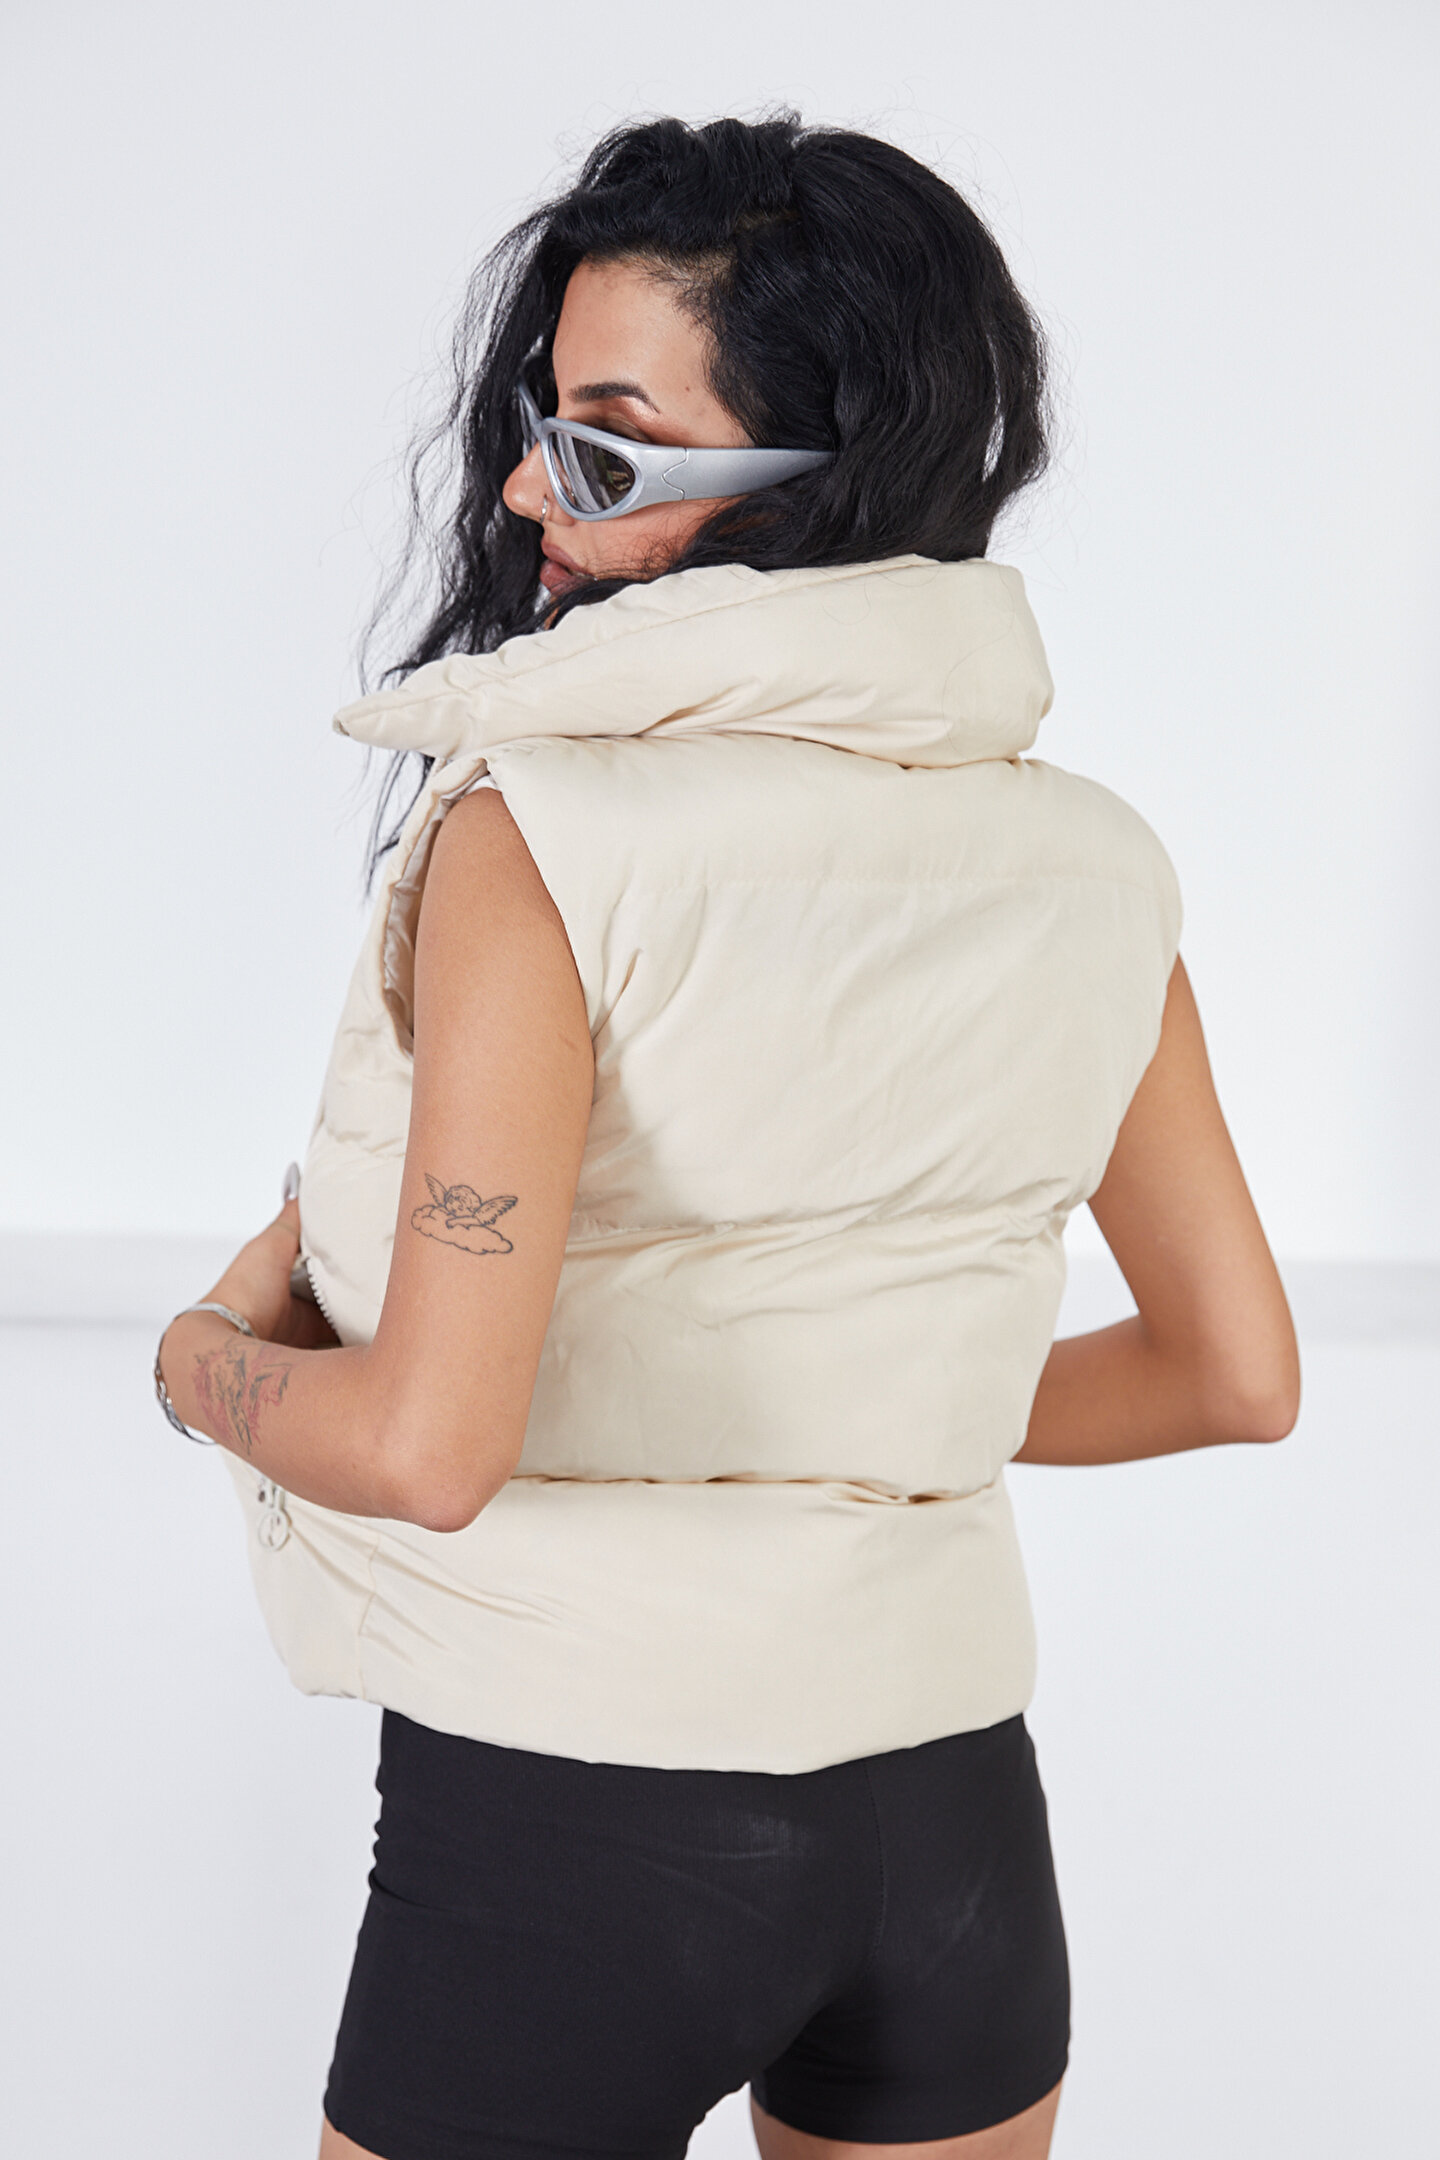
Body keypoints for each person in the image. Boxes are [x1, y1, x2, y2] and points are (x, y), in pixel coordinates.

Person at [153, 114, 1300, 2160]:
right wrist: (858, 1399)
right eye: (540, 428)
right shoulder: (1096, 864)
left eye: (605, 452)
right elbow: (1237, 1374)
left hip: (576, 1823)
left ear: (812, 482)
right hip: (952, 1819)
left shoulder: (544, 830)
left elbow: (425, 1449)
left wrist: (202, 1368)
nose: (526, 491)